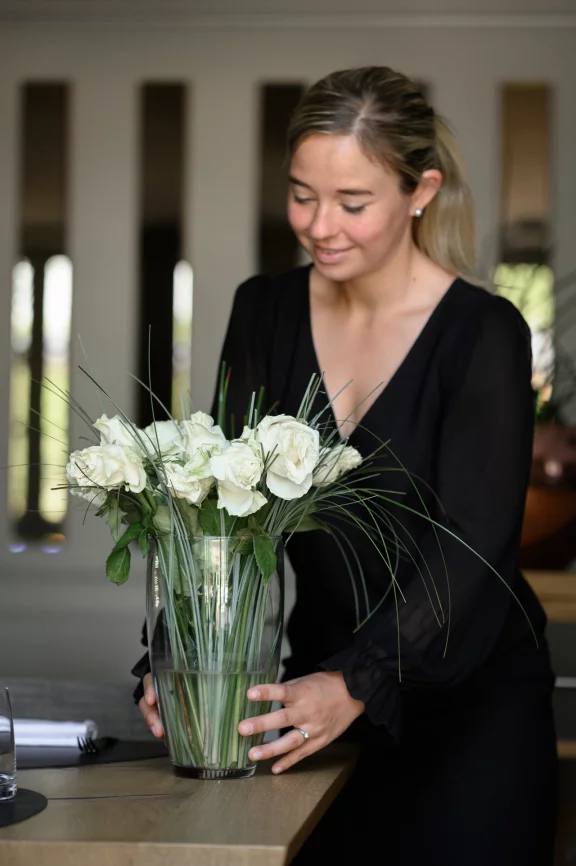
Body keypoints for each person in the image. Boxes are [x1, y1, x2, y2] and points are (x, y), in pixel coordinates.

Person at [133, 66, 557, 864]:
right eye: (302, 194)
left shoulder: (486, 332)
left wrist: (358, 682)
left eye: (352, 204)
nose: (319, 225)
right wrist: (181, 652)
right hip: (310, 701)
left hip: (473, 711)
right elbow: (225, 506)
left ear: (420, 191)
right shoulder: (264, 311)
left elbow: (474, 546)